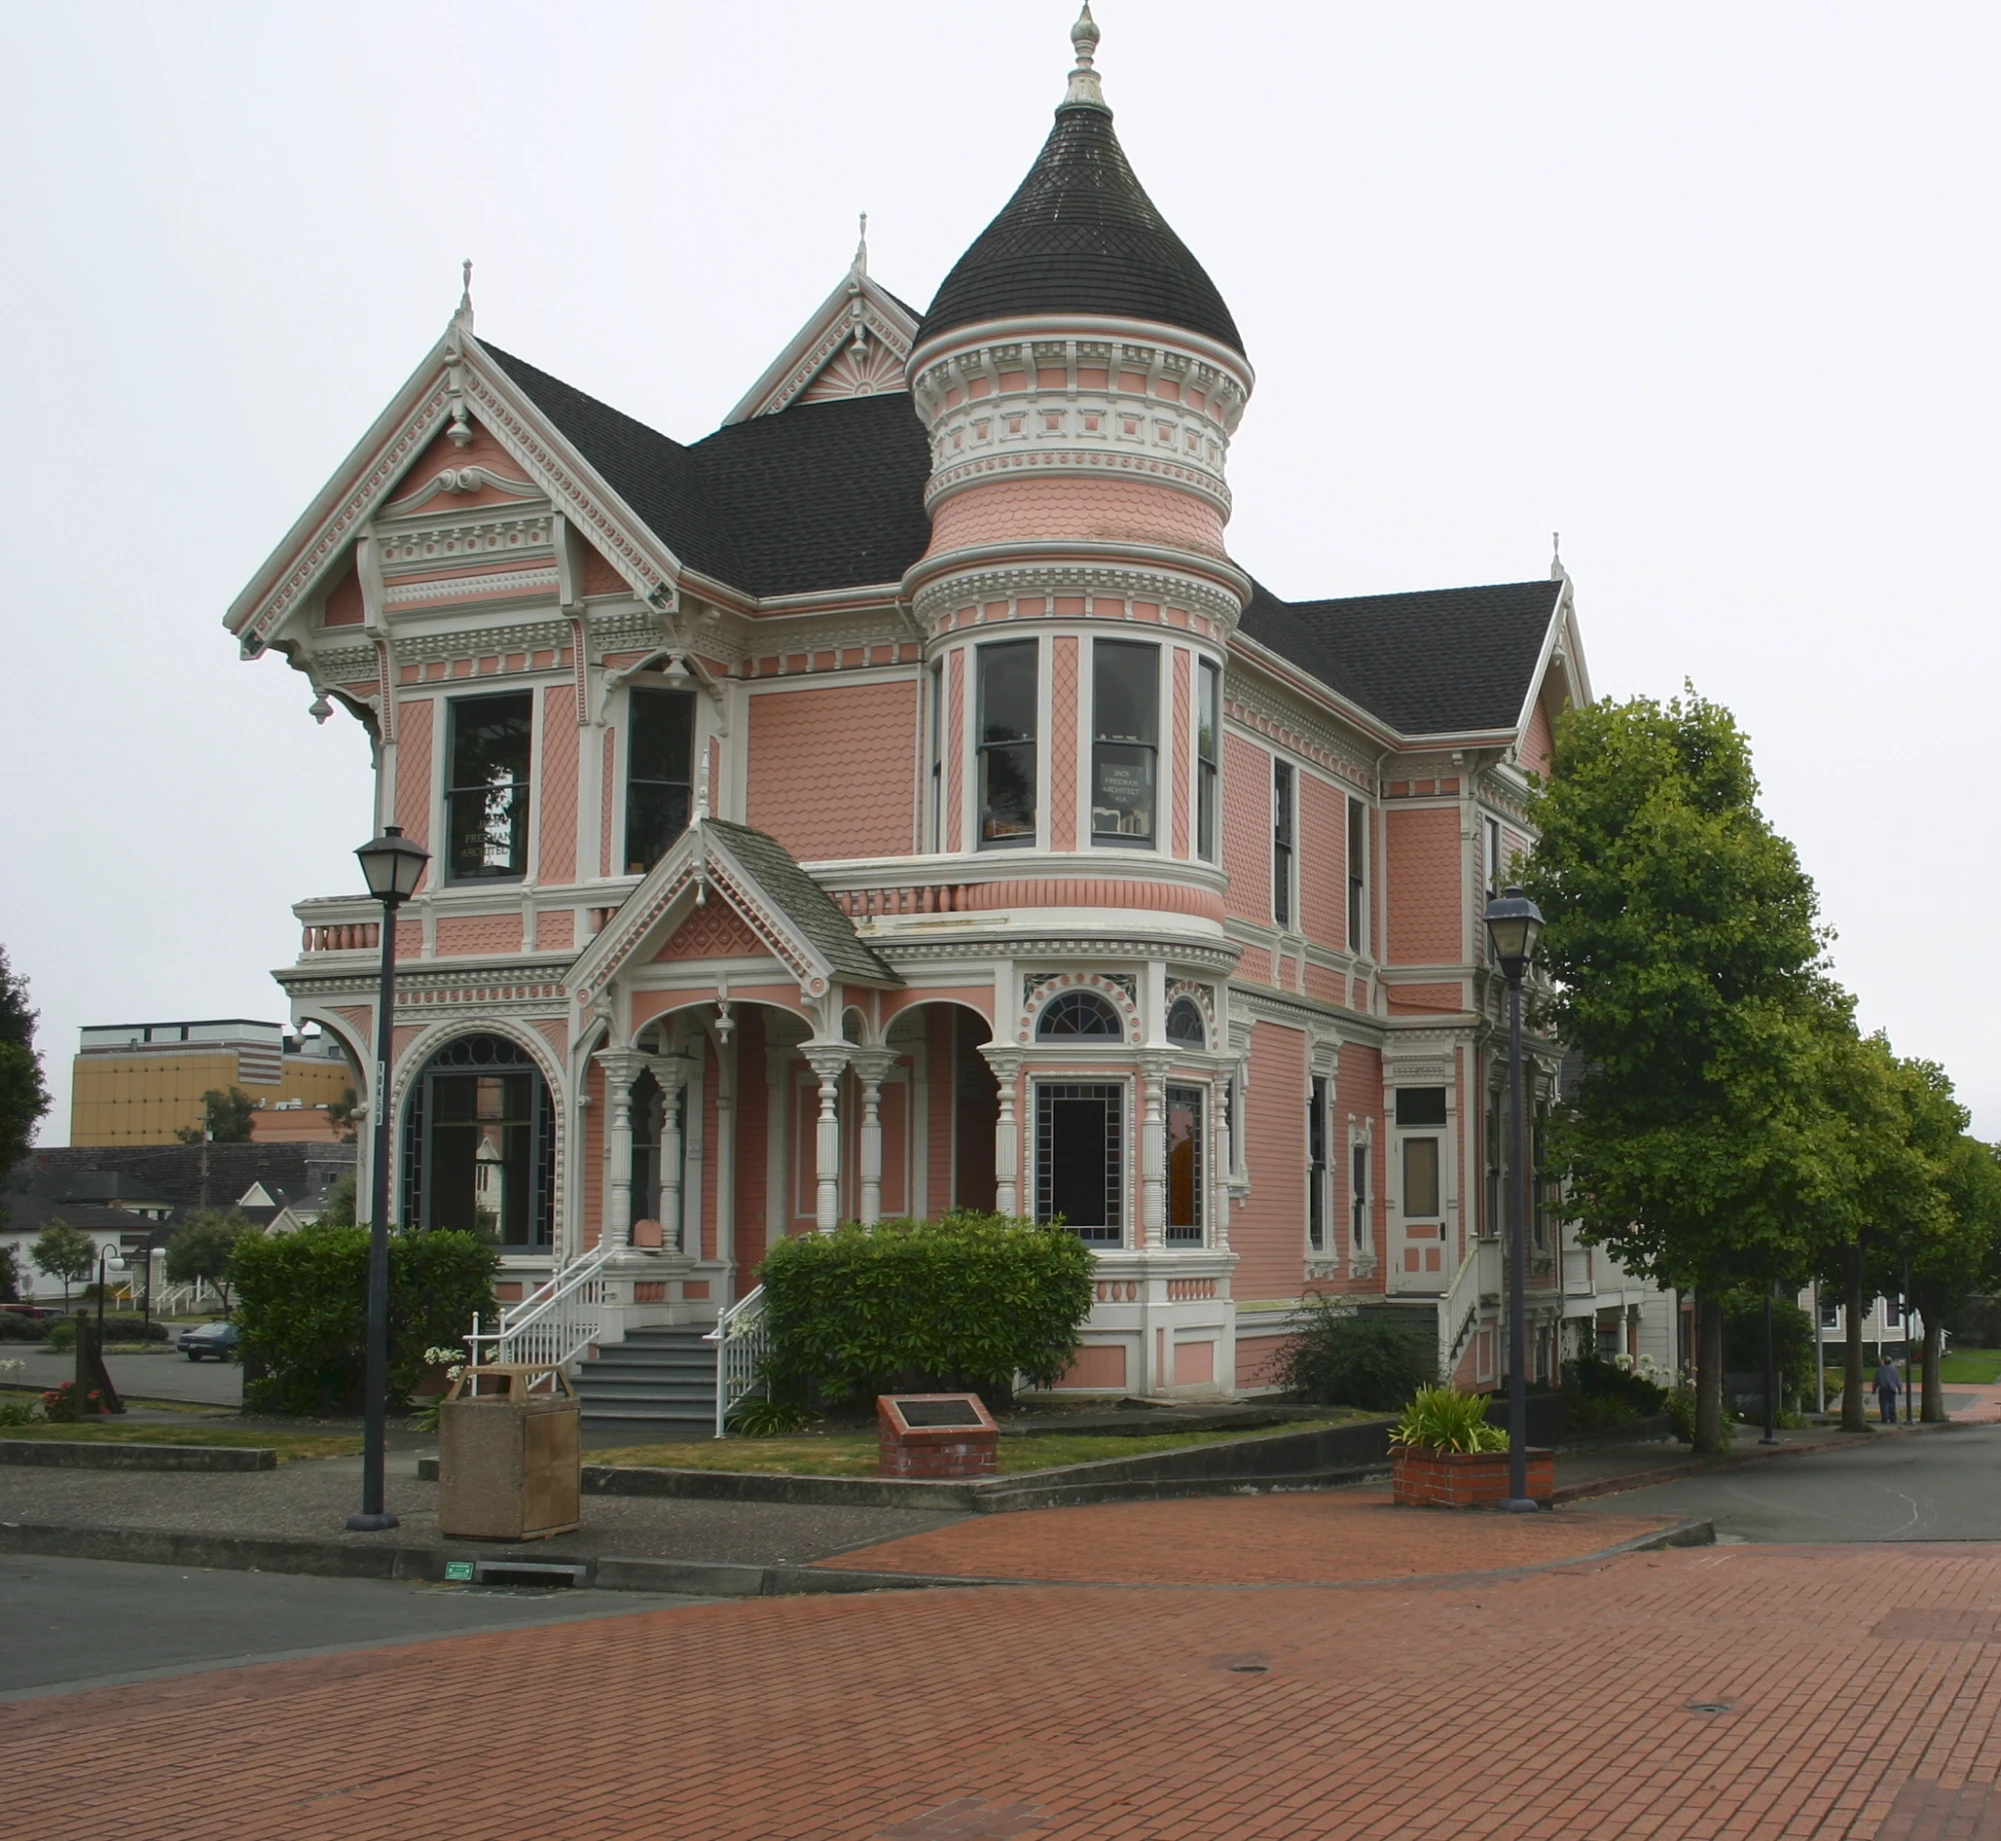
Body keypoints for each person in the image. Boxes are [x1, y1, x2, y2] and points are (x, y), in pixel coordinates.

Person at [1875, 1357, 1902, 1425]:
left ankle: (1885, 1417)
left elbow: (1876, 1380)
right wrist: (1899, 1389)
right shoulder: (1894, 1370)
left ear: (1884, 1361)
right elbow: (1898, 1381)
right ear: (1891, 1361)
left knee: (1884, 1403)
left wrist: (1874, 1389)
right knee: (1892, 1403)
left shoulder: (1880, 1370)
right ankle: (1892, 1417)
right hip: (1892, 1388)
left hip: (1883, 1388)